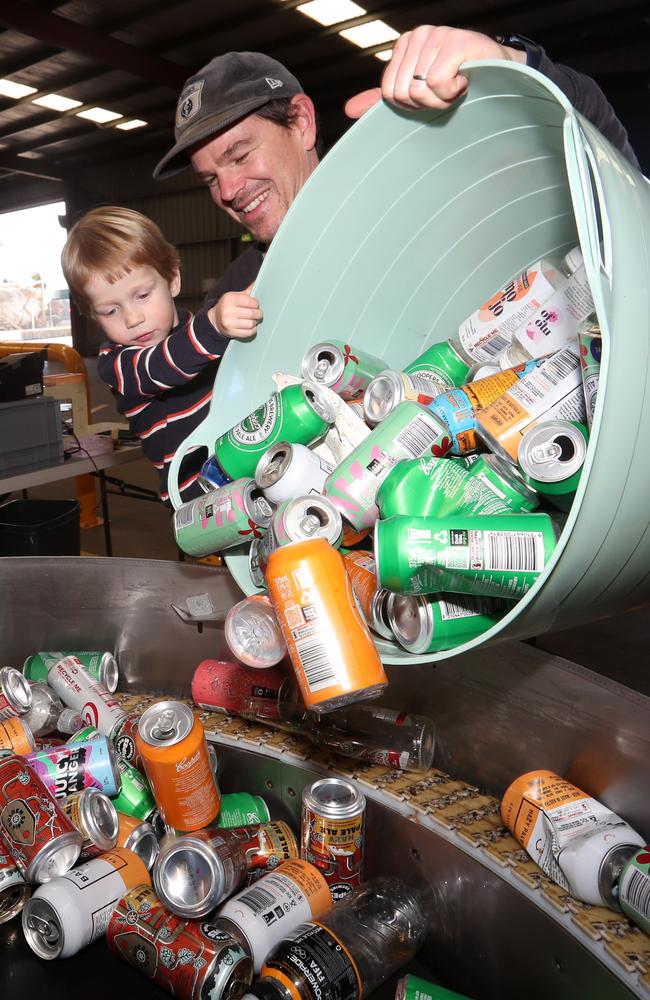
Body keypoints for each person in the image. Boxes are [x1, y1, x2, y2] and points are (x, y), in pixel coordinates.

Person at [152, 25, 639, 343]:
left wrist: (510, 66)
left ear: (300, 121)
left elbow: (604, 154)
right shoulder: (240, 297)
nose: (230, 189)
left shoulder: (428, 191)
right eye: (210, 178)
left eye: (239, 154)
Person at [61, 206, 255, 504]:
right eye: (110, 310)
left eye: (142, 295)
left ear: (172, 279)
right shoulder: (118, 365)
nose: (132, 318)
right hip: (200, 494)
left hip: (248, 460)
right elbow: (164, 366)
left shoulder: (193, 328)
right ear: (92, 316)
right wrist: (214, 325)